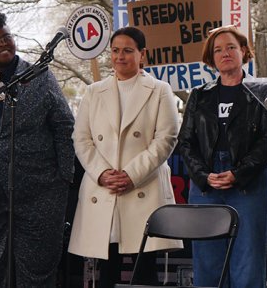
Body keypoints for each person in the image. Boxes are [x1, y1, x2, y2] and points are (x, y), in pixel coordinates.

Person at [68, 26, 182, 288]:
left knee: (145, 270)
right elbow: (81, 138)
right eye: (116, 50)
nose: (120, 57)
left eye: (128, 51)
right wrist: (102, 173)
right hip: (104, 188)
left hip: (144, 186)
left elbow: (166, 138)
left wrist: (131, 175)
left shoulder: (160, 89)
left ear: (142, 54)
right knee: (106, 270)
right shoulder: (94, 91)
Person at [0, 10, 75, 287]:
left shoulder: (39, 77)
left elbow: (65, 126)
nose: (3, 45)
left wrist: (65, 177)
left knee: (37, 270)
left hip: (40, 193)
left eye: (7, 37)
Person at [178, 25, 267, 288]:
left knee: (248, 260)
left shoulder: (263, 91)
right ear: (211, 58)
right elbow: (185, 143)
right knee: (207, 262)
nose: (225, 53)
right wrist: (203, 176)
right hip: (206, 185)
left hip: (248, 184)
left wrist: (239, 173)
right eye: (217, 50)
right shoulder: (199, 95)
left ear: (243, 50)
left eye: (231, 47)